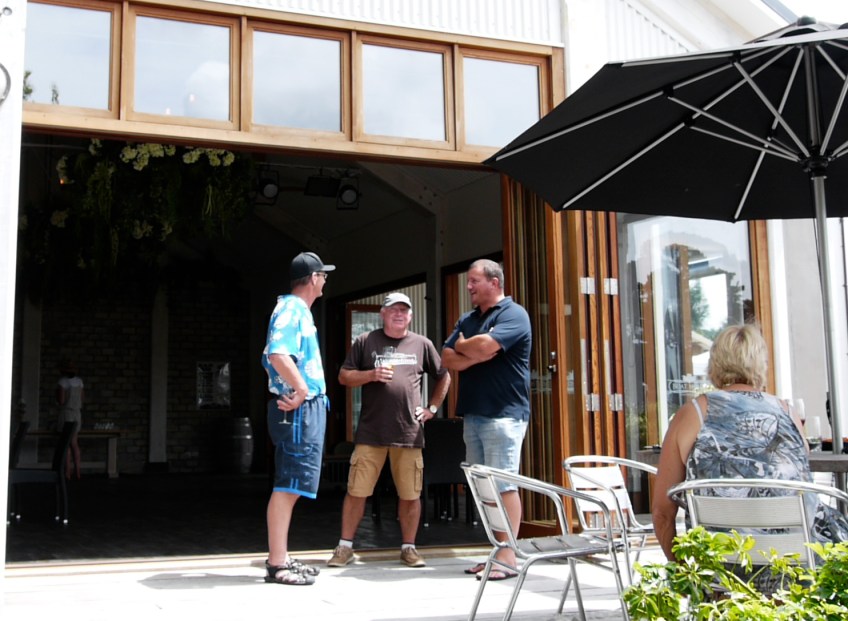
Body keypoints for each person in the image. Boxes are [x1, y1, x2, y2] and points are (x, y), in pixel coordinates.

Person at [652, 323, 848, 589]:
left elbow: (662, 514)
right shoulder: (787, 413)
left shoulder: (691, 415)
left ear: (715, 363)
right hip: (793, 574)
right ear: (760, 364)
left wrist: (691, 579)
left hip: (722, 575)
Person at [328, 292, 451, 569]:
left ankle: (409, 548)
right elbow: (344, 376)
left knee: (410, 494)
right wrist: (371, 374)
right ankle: (345, 547)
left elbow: (444, 375)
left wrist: (432, 408)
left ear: (410, 316)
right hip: (371, 433)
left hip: (409, 433)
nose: (399, 314)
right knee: (357, 491)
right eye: (393, 310)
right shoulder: (366, 341)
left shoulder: (422, 344)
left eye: (404, 310)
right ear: (382, 314)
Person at [441, 259, 532, 581]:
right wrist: (473, 352)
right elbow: (447, 357)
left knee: (503, 485)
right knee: (483, 489)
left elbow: (485, 346)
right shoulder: (469, 319)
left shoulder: (513, 314)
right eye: (468, 281)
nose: (468, 287)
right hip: (474, 415)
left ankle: (508, 557)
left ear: (494, 282)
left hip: (504, 415)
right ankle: (496, 551)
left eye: (474, 281)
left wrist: (466, 346)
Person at [261, 251, 335, 586]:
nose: (325, 281)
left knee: (293, 483)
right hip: (298, 409)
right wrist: (302, 388)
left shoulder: (298, 310)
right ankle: (277, 563)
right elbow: (278, 353)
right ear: (314, 278)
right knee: (288, 485)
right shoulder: (292, 308)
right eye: (324, 275)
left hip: (303, 408)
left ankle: (281, 556)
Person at [56, 358, 84, 480]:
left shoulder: (62, 382)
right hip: (77, 414)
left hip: (66, 414)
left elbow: (61, 401)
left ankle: (67, 471)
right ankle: (78, 471)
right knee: (75, 443)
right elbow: (82, 398)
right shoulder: (80, 382)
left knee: (66, 444)